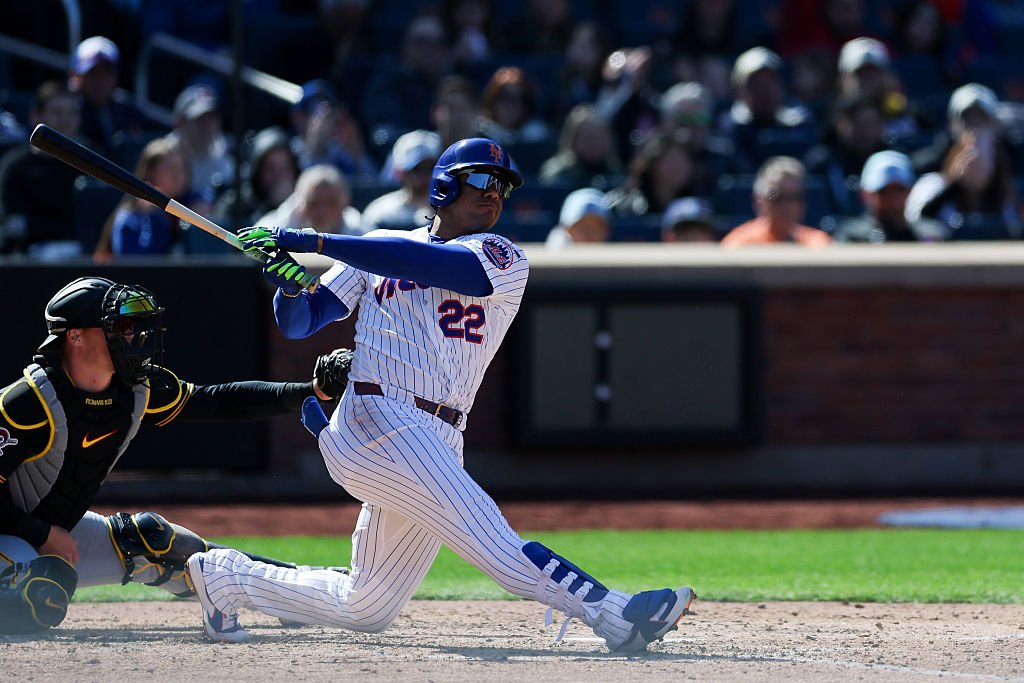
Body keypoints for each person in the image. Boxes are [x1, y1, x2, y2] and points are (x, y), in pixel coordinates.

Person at [184, 137, 696, 650]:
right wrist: (288, 281)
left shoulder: (501, 256)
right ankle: (615, 614)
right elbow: (301, 322)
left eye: (503, 186)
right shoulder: (378, 246)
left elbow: (430, 264)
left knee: (367, 605)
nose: (494, 193)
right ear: (444, 184)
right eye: (482, 180)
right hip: (376, 419)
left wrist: (314, 242)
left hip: (440, 436)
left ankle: (226, 577)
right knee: (493, 540)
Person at [0, 276, 350, 634]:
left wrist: (312, 390)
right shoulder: (27, 402)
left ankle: (302, 588)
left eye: (134, 326)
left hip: (51, 535)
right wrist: (42, 533)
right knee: (42, 590)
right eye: (119, 326)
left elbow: (219, 400)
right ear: (74, 336)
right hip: (19, 536)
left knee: (153, 540)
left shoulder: (135, 388)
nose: (133, 336)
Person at [0, 81, 83, 258]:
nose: (65, 120)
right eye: (57, 112)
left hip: (87, 255)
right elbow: (15, 228)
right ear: (35, 116)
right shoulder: (16, 167)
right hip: (35, 259)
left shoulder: (91, 163)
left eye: (71, 113)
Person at [717, 47, 817, 174]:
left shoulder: (801, 126)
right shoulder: (727, 131)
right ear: (739, 89)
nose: (765, 90)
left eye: (770, 81)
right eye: (756, 82)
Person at [94, 136, 188, 257]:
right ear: (150, 172)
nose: (177, 176)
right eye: (170, 169)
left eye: (181, 169)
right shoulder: (132, 216)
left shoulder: (191, 204)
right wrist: (156, 219)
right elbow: (135, 264)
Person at [831, 150, 949, 243]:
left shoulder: (933, 235)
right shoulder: (850, 238)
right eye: (883, 191)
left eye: (899, 189)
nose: (893, 199)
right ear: (864, 194)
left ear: (910, 191)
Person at [720, 156, 832, 246]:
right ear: (759, 200)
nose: (788, 205)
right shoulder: (741, 245)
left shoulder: (817, 243)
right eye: (777, 196)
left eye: (795, 196)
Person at [68, 36, 147, 156]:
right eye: (92, 73)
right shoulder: (65, 111)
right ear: (76, 76)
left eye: (106, 73)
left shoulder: (130, 112)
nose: (99, 81)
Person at [214, 126, 300, 228]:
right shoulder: (235, 204)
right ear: (257, 170)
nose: (279, 175)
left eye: (285, 167)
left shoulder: (306, 202)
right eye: (270, 168)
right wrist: (273, 205)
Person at [256, 164, 366, 236]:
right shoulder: (272, 231)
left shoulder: (361, 233)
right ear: (298, 202)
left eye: (331, 203)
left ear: (345, 205)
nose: (321, 212)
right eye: (313, 203)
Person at [363, 130, 441, 231]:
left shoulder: (455, 212)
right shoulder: (380, 214)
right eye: (417, 169)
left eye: (431, 168)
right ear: (400, 173)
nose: (426, 176)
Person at [167, 84, 233, 203]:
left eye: (212, 118)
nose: (207, 126)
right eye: (199, 120)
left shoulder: (223, 152)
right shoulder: (165, 154)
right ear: (180, 122)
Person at [539, 104, 622, 190]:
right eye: (587, 137)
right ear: (573, 139)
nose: (593, 143)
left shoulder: (617, 175)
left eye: (597, 137)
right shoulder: (558, 173)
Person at [545, 187, 612, 248]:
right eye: (583, 227)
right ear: (567, 229)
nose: (589, 234)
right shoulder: (555, 254)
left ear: (606, 231)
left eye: (596, 228)